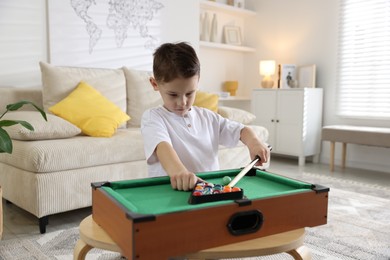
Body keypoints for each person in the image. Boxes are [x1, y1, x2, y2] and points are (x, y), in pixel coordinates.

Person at [141, 42, 270, 191]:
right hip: (169, 193)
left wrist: (254, 142)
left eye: (189, 93)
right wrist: (179, 172)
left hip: (208, 192)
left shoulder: (208, 117)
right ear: (154, 84)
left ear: (197, 82)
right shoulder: (153, 118)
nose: (182, 102)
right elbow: (162, 147)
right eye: (173, 94)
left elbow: (241, 131)